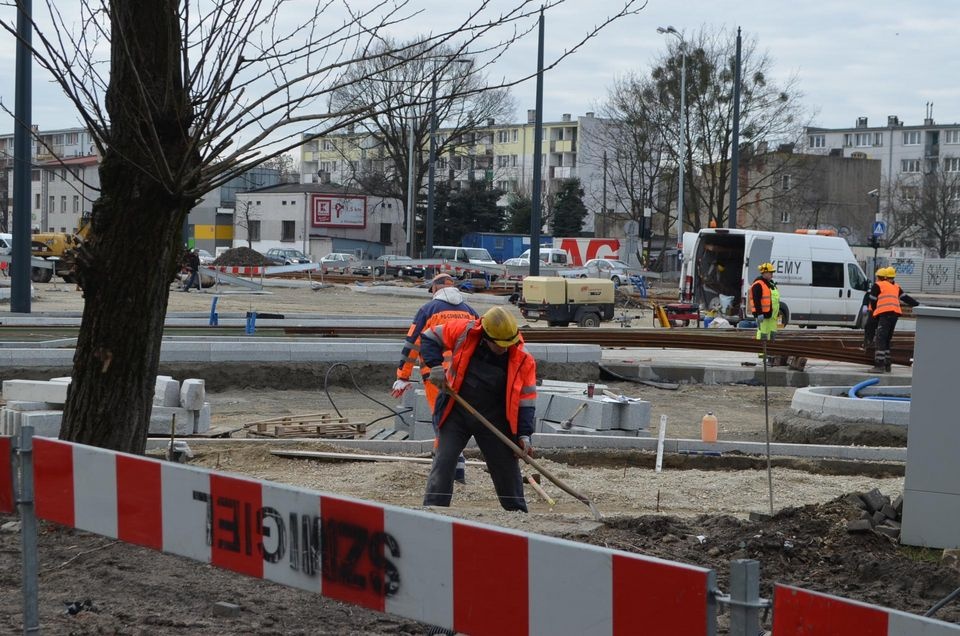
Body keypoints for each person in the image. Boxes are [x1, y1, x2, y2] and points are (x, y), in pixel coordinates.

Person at [420, 306, 537, 512]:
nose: (504, 349)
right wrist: (435, 366)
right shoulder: (465, 332)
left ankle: (518, 514)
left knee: (505, 468)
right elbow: (429, 337)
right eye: (499, 345)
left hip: (494, 417)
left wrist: (525, 434)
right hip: (456, 410)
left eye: (507, 344)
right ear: (486, 336)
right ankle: (433, 511)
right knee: (444, 461)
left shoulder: (522, 358)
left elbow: (526, 400)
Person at [392, 273, 478, 482]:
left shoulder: (428, 310)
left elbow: (413, 343)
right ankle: (455, 470)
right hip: (464, 375)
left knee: (442, 421)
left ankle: (446, 472)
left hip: (436, 374)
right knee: (456, 419)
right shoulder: (470, 311)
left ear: (434, 289)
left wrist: (403, 376)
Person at [867, 266, 918, 373]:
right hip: (894, 315)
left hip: (885, 314)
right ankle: (887, 364)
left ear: (879, 277)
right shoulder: (895, 286)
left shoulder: (878, 285)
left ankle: (879, 366)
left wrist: (876, 313)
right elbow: (906, 298)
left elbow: (872, 301)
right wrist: (918, 305)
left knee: (880, 339)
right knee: (886, 339)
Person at [750, 262, 782, 363]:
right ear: (764, 273)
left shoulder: (771, 284)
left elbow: (775, 301)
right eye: (770, 272)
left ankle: (771, 351)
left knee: (772, 334)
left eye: (772, 272)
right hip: (763, 315)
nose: (772, 274)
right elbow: (756, 300)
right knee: (763, 333)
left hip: (772, 315)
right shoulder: (758, 284)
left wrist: (777, 313)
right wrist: (759, 314)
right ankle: (762, 353)